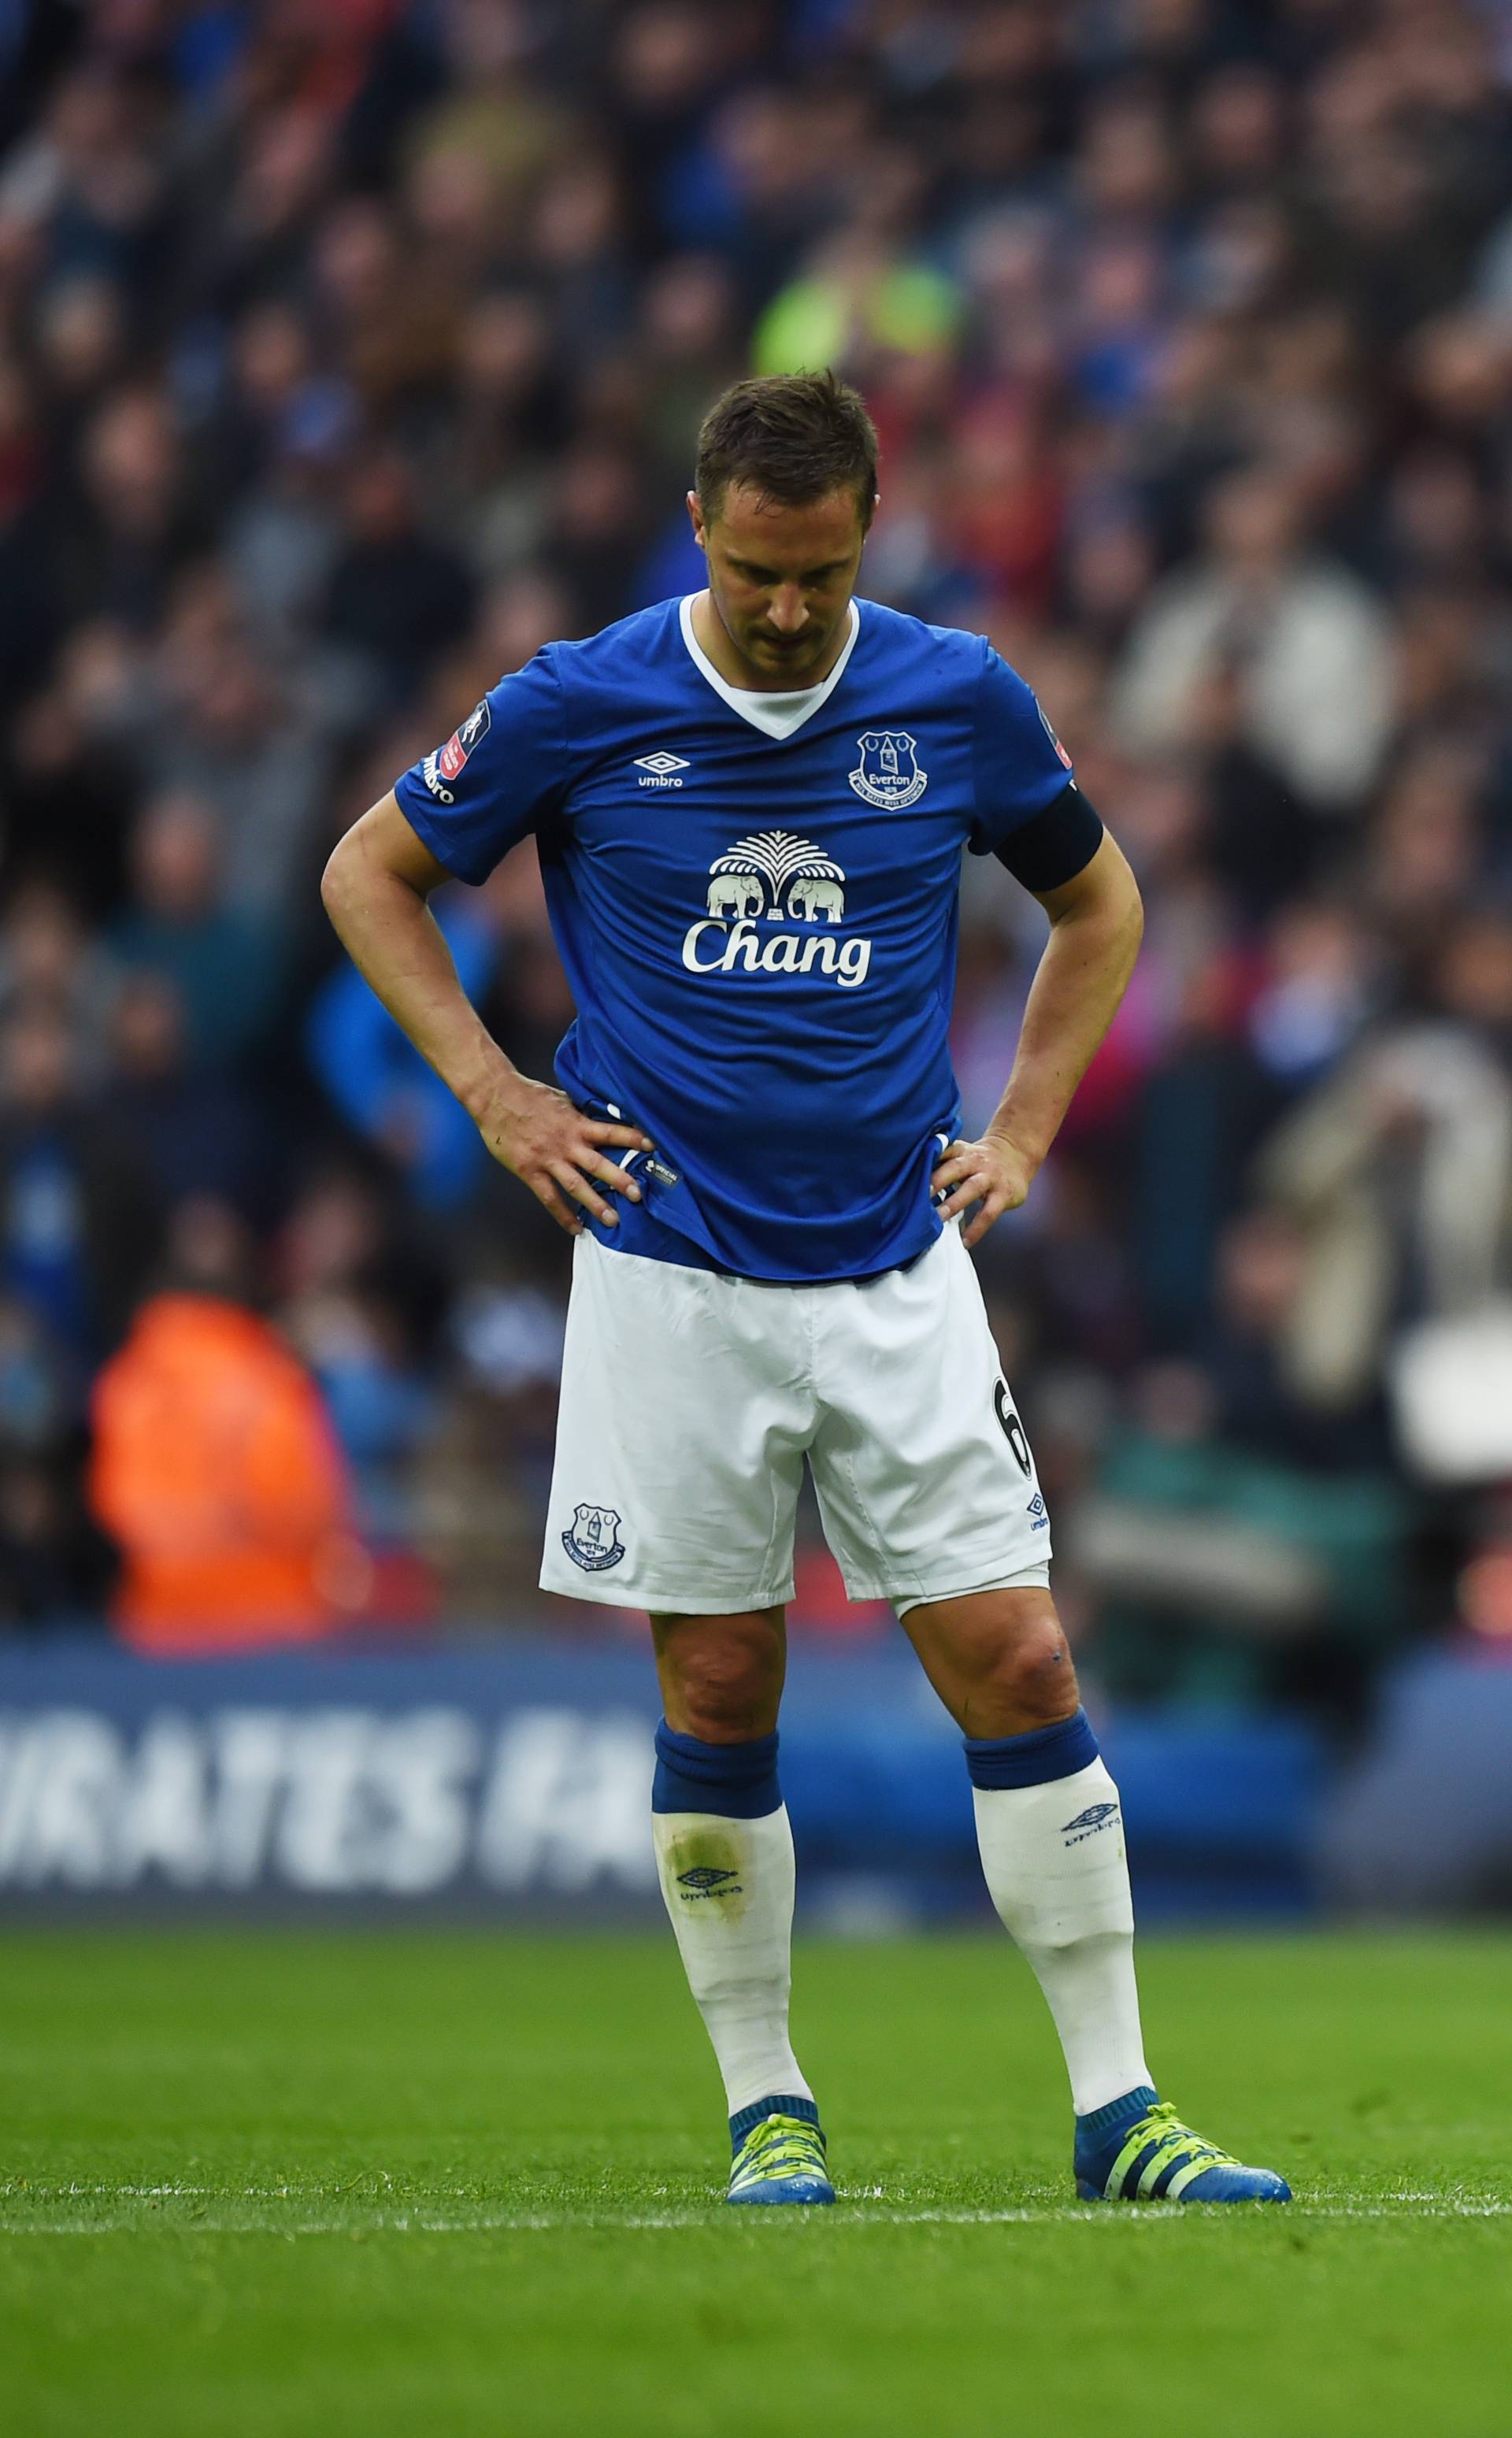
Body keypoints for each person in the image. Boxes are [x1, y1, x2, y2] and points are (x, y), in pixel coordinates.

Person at [321, 372, 1289, 2210]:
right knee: (722, 1674)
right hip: (670, 1269)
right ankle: (769, 2105)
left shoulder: (955, 693)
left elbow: (1104, 908)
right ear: (704, 527)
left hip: (896, 1266)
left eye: (824, 575)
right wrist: (498, 1096)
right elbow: (370, 873)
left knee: (1016, 1655)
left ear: (869, 533)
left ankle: (1123, 2112)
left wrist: (1018, 1130)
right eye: (761, 573)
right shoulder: (580, 700)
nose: (787, 611)